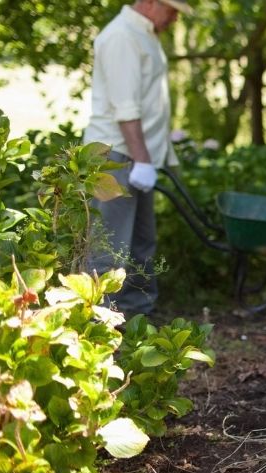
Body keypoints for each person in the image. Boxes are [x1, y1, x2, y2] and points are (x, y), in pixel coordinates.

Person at [84, 0, 192, 317]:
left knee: (142, 243)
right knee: (109, 247)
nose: (175, 17)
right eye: (171, 9)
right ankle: (96, 323)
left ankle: (137, 314)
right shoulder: (121, 36)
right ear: (148, 2)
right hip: (116, 156)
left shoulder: (145, 34)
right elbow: (125, 108)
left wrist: (150, 160)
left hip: (138, 158)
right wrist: (142, 160)